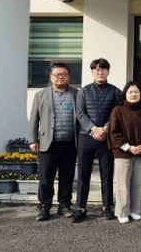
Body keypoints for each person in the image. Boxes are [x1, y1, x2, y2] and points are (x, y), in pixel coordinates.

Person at [28, 63, 79, 221]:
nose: (61, 76)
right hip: (48, 143)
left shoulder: (76, 94)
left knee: (67, 177)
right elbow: (34, 118)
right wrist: (32, 139)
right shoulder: (41, 95)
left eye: (64, 74)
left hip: (70, 143)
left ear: (68, 76)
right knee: (46, 177)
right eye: (57, 74)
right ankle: (44, 206)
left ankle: (64, 205)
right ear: (51, 77)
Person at [73, 57, 122, 222]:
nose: (100, 72)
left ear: (108, 72)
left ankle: (106, 207)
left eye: (103, 69)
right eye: (97, 69)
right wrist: (93, 129)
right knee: (83, 173)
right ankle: (80, 207)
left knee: (106, 172)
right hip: (86, 136)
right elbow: (80, 113)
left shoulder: (116, 92)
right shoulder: (83, 91)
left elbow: (117, 114)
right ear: (92, 72)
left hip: (106, 137)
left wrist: (105, 129)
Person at [108, 81, 141, 223]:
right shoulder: (118, 110)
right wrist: (128, 147)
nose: (133, 94)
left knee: (138, 183)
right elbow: (114, 132)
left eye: (136, 92)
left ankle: (136, 210)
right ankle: (122, 212)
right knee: (123, 184)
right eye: (130, 92)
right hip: (123, 153)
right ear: (125, 94)